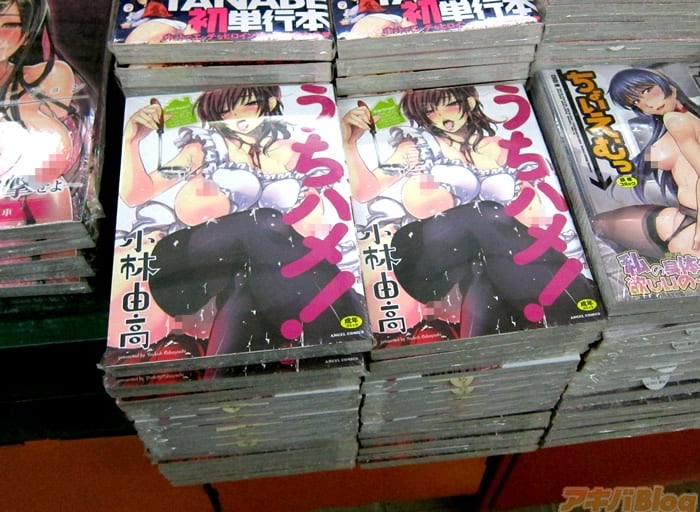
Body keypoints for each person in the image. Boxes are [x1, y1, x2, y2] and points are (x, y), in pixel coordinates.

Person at [111, 86, 366, 359]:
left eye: (247, 105)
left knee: (245, 290)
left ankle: (323, 351)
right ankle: (338, 329)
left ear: (271, 102)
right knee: (264, 221)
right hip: (187, 268)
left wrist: (349, 144)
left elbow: (323, 217)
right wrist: (131, 141)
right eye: (225, 110)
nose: (235, 116)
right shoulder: (204, 148)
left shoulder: (294, 152)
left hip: (258, 277)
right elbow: (136, 194)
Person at [342, 86, 593, 340]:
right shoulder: (418, 146)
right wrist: (349, 144)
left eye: (450, 104)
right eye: (430, 110)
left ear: (470, 103)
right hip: (424, 254)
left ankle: (484, 346)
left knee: (486, 278)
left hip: (482, 259)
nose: (441, 115)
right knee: (485, 213)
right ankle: (576, 300)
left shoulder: (499, 148)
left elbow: (530, 208)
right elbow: (364, 191)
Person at [0, 0, 95, 228]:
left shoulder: (47, 79)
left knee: (52, 189)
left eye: (9, 25)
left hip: (37, 207)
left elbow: (56, 158)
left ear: (25, 36)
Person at [593, 68, 700, 259]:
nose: (648, 104)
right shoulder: (680, 120)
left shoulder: (676, 121)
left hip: (687, 223)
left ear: (665, 82)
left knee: (595, 228)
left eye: (647, 90)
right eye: (636, 101)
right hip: (681, 220)